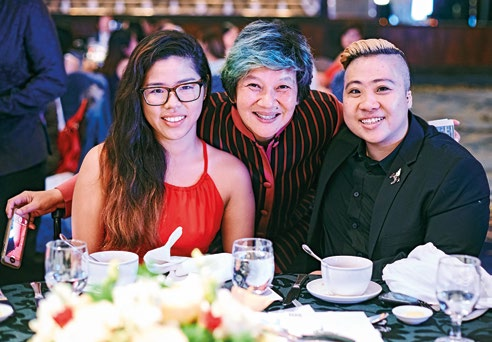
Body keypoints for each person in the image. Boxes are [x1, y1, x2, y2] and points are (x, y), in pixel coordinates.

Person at [6, 20, 344, 272]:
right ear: (231, 88)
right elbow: (129, 156)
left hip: (292, 255)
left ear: (301, 91)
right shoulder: (202, 113)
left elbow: (370, 128)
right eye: (254, 85)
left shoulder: (324, 114)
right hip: (159, 286)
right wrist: (58, 194)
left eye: (283, 86)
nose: (267, 102)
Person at [303, 38, 490, 280]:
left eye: (382, 88)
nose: (368, 104)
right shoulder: (336, 144)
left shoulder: (455, 171)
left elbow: (449, 271)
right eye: (355, 91)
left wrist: (353, 275)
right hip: (319, 305)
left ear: (408, 97)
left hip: (407, 313)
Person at [72, 30, 254, 257]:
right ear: (138, 96)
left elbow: (240, 273)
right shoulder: (102, 162)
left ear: (204, 89)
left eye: (186, 87)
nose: (172, 103)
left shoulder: (231, 174)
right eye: (157, 90)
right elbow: (82, 265)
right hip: (112, 292)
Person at [0, 0, 67, 285]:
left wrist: (4, 104)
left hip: (16, 157)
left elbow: (53, 79)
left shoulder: (23, 8)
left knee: (11, 263)